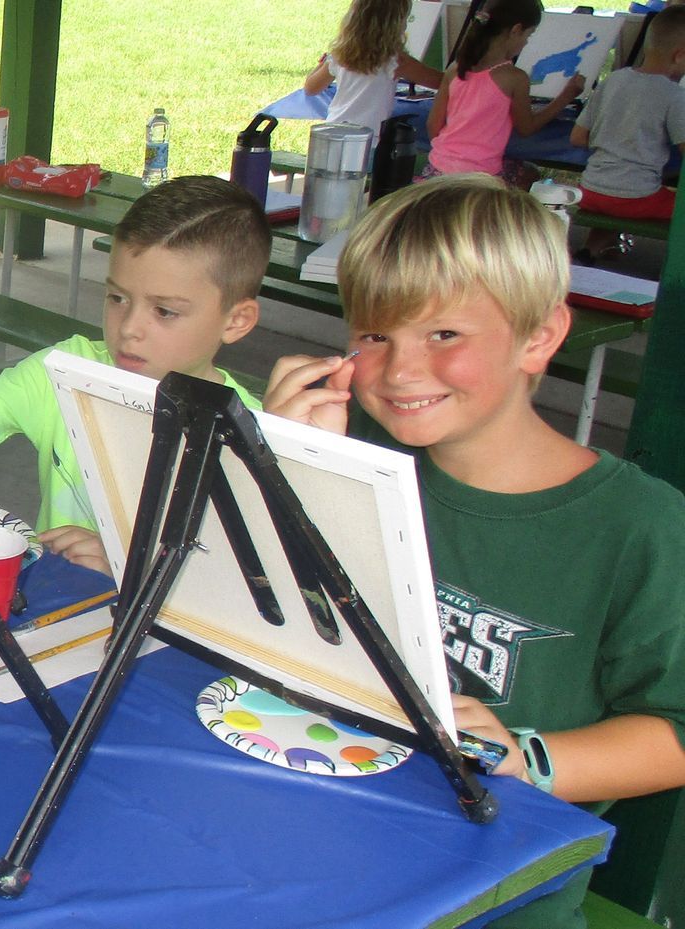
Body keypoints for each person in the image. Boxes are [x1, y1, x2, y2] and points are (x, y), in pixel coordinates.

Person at [265, 175, 685, 928]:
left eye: (445, 334)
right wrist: (298, 469)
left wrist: (531, 758)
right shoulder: (359, 466)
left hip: (497, 898)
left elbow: (676, 730)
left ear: (540, 336)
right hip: (335, 843)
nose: (399, 369)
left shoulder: (641, 527)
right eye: (374, 335)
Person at [0, 176, 268, 574]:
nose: (128, 328)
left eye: (164, 311)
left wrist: (126, 568)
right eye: (117, 298)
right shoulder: (68, 369)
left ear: (236, 320)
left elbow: (236, 586)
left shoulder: (250, 433)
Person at [424, 0, 583, 187]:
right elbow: (526, 128)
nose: (525, 43)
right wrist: (566, 97)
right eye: (528, 36)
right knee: (529, 174)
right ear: (516, 30)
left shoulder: (455, 68)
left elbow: (433, 124)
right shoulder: (515, 78)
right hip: (482, 175)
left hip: (438, 167)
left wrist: (451, 158)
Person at [570, 4, 685, 261]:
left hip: (590, 190)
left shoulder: (614, 80)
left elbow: (577, 137)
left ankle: (592, 248)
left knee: (619, 189)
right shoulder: (675, 96)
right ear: (679, 56)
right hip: (637, 198)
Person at [304, 0, 443, 146]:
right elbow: (440, 81)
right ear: (396, 23)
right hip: (368, 140)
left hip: (332, 133)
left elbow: (310, 88)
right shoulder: (396, 61)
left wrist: (322, 63)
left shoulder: (341, 55)